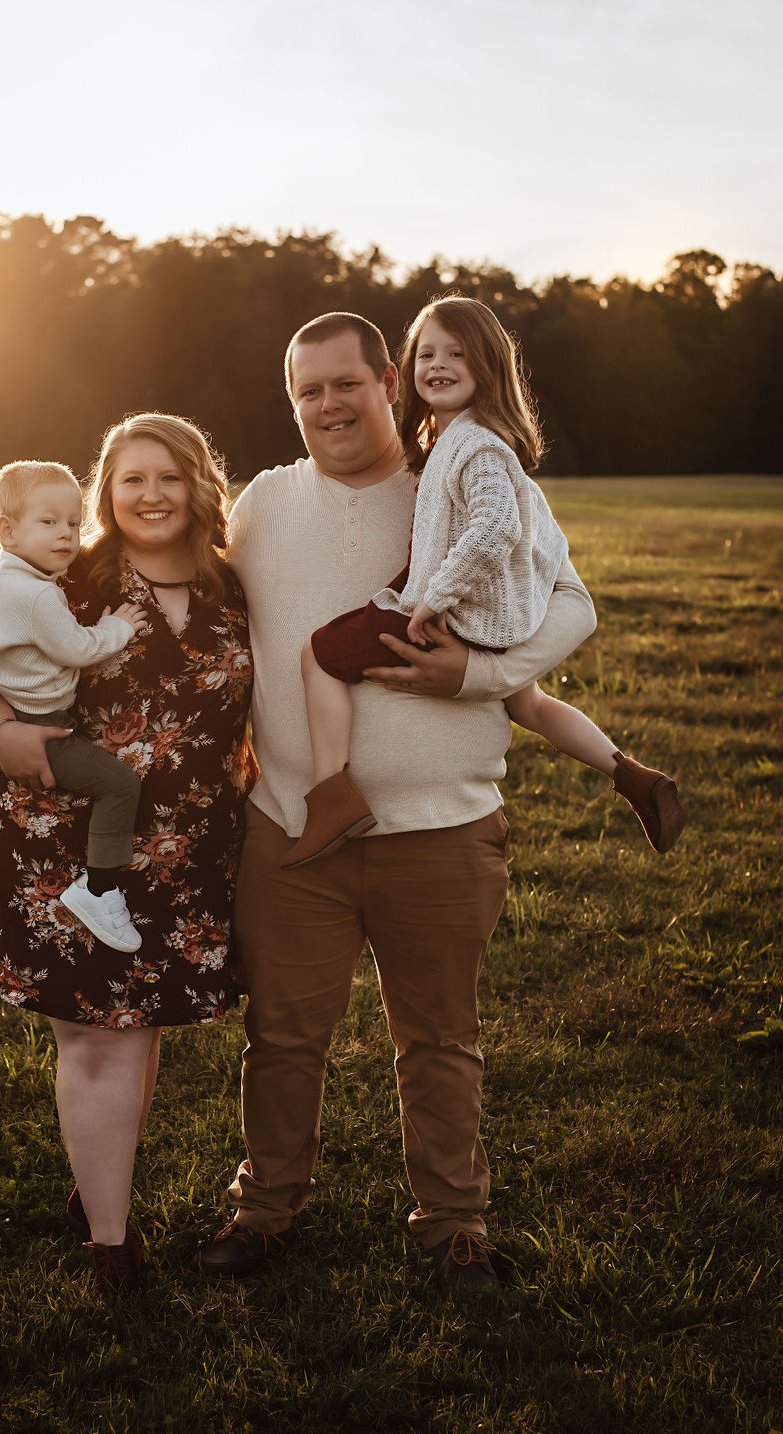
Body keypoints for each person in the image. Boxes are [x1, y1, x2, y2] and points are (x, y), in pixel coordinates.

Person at [193, 311, 598, 1291]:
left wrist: (468, 674)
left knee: (439, 1039)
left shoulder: (459, 472)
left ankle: (454, 1226)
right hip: (294, 822)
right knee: (282, 1037)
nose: (328, 404)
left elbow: (574, 603)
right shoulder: (261, 504)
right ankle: (263, 1210)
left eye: (346, 382)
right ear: (290, 403)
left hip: (444, 824)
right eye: (307, 391)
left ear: (387, 380)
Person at [0, 414, 256, 1300]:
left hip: (184, 846)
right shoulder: (70, 577)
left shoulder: (236, 585)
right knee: (99, 1039)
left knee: (134, 1028)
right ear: (105, 492)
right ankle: (112, 1247)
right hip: (60, 841)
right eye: (130, 479)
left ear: (198, 485)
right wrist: (0, 731)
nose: (150, 495)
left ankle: (94, 1186)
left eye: (169, 478)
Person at [283, 297, 685, 868]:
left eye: (457, 353)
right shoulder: (459, 442)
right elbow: (530, 535)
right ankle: (633, 776)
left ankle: (332, 797)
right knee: (532, 704)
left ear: (489, 365)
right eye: (427, 353)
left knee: (319, 656)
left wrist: (435, 596)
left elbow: (498, 525)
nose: (439, 364)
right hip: (487, 615)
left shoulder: (476, 446)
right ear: (410, 367)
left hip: (455, 611)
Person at [0, 459, 149, 951]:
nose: (67, 536)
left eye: (73, 523)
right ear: (7, 531)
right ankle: (99, 888)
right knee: (120, 784)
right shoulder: (38, 597)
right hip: (40, 728)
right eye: (48, 523)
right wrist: (118, 626)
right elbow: (78, 649)